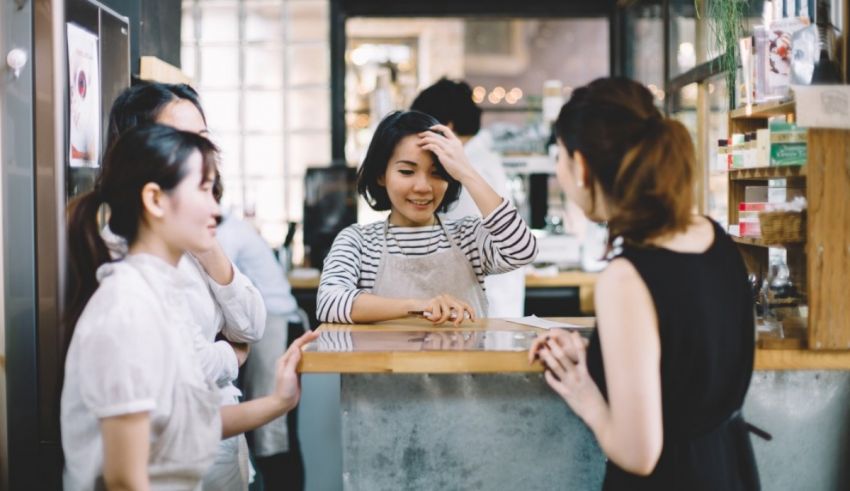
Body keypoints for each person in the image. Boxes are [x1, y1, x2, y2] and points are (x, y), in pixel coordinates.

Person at [528, 77, 759, 490]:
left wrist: (584, 393)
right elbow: (683, 361)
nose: (559, 170)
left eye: (559, 157)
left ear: (581, 167)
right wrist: (596, 354)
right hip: (727, 471)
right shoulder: (714, 238)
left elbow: (639, 454)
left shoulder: (626, 277)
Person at [62, 124, 317, 490]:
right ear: (154, 200)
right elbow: (125, 479)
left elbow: (188, 427)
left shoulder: (164, 294)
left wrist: (279, 401)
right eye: (203, 189)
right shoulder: (128, 309)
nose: (216, 209)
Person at [102, 82, 265, 490]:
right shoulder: (124, 253)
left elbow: (251, 323)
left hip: (219, 444)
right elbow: (186, 368)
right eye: (183, 141)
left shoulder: (190, 229)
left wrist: (207, 246)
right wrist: (232, 355)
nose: (201, 155)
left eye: (204, 140)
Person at [317, 110, 538, 325]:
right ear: (381, 175)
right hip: (388, 363)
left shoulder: (468, 237)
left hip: (467, 363)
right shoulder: (359, 242)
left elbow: (522, 250)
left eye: (437, 173)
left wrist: (466, 171)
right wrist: (419, 306)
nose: (423, 187)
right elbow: (329, 302)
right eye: (406, 172)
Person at [411, 78, 525, 317]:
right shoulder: (479, 160)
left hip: (480, 311)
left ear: (446, 127)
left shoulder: (468, 168)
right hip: (485, 308)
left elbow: (458, 247)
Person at [217, 214, 306, 490]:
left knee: (273, 436)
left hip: (275, 327)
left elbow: (217, 285)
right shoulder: (227, 228)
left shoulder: (225, 234)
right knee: (268, 432)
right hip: (269, 327)